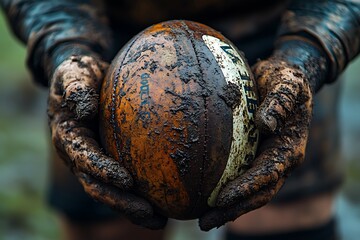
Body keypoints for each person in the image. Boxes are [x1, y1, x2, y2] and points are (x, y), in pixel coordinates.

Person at [1, 0, 359, 239]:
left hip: (276, 23)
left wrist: (309, 51)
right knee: (107, 223)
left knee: (288, 216)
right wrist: (65, 46)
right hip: (108, 34)